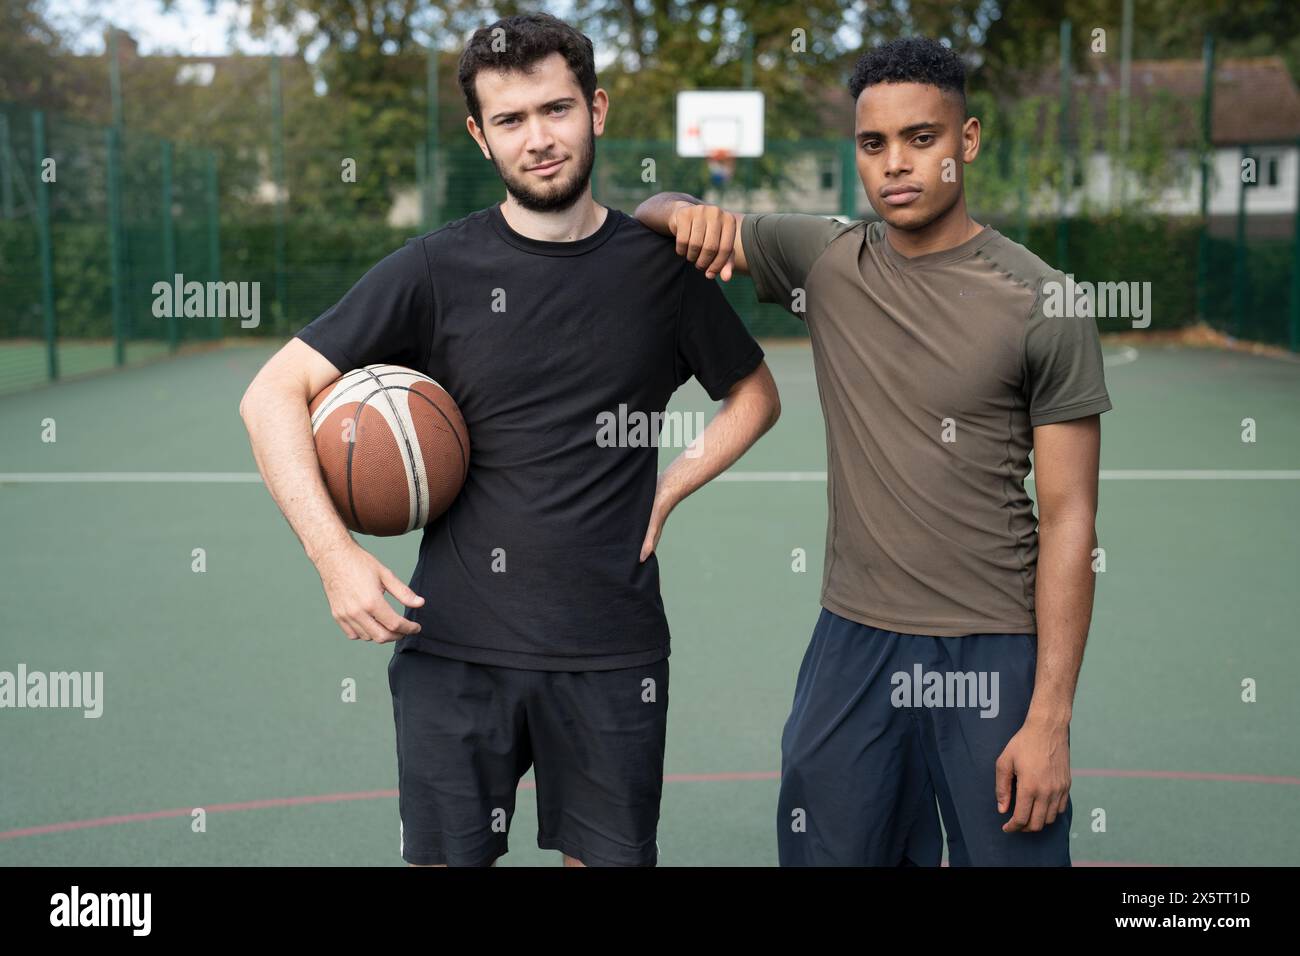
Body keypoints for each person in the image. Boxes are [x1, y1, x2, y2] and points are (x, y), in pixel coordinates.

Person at [239, 12, 780, 867]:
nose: (539, 139)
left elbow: (754, 393)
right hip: (452, 648)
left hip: (612, 647)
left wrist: (673, 482)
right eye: (511, 120)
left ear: (596, 110)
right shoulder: (433, 270)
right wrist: (332, 556)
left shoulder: (659, 271)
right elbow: (270, 393)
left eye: (555, 110)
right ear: (479, 136)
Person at [635, 36, 1111, 866]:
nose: (896, 163)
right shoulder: (824, 260)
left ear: (966, 140)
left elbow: (1070, 518)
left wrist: (1049, 718)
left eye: (921, 139)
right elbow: (650, 212)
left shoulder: (1045, 302)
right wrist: (686, 212)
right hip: (851, 640)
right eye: (873, 143)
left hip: (991, 645)